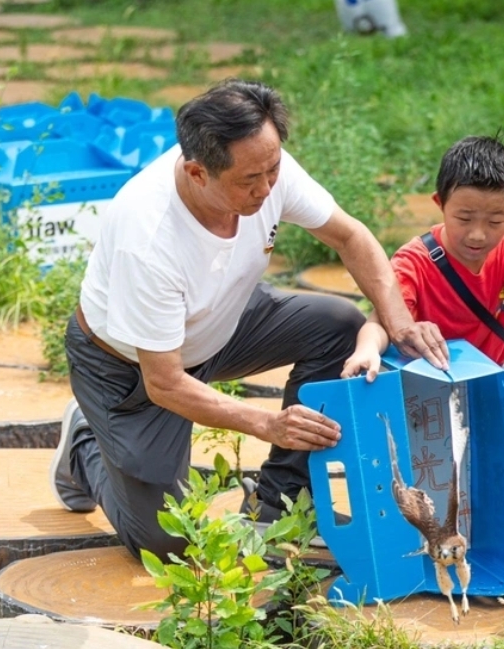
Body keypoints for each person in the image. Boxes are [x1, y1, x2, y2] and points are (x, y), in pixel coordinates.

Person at [49, 79, 448, 560]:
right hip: (132, 368)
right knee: (169, 541)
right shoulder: (148, 237)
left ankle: (277, 504)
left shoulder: (261, 160)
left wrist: (399, 322)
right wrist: (266, 423)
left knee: (339, 326)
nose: (266, 188)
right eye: (248, 181)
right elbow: (166, 383)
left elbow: (351, 237)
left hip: (224, 319)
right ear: (198, 173)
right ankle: (85, 443)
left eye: (273, 169)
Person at [341, 135, 504, 382]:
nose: (478, 235)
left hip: (494, 370)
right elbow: (379, 322)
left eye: (495, 221)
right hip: (434, 379)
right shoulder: (413, 261)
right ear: (439, 203)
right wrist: (367, 349)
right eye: (464, 219)